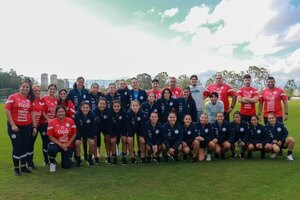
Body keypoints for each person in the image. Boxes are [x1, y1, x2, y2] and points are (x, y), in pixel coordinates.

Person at [5, 80, 35, 176]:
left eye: (27, 87)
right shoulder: (13, 97)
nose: (25, 88)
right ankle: (16, 168)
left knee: (25, 146)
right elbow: (7, 110)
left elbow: (32, 112)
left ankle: (23, 166)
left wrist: (34, 126)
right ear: (20, 87)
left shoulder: (29, 99)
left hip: (27, 126)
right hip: (15, 127)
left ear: (29, 89)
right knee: (17, 146)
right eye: (23, 86)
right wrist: (13, 125)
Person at [47, 105, 77, 172]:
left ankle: (67, 157)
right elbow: (50, 137)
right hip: (57, 144)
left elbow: (74, 134)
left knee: (66, 166)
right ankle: (52, 162)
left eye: (62, 111)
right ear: (56, 113)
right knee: (52, 149)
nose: (61, 113)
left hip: (67, 145)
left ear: (65, 112)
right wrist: (61, 145)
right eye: (59, 112)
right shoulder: (51, 122)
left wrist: (67, 144)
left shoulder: (71, 121)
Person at [74, 101, 97, 167]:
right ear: (81, 108)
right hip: (80, 132)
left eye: (87, 107)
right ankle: (78, 159)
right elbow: (76, 127)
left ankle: (90, 158)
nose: (85, 109)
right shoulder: (77, 114)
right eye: (83, 107)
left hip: (89, 132)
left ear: (89, 108)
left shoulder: (92, 114)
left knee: (92, 143)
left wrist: (91, 136)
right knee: (77, 143)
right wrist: (78, 137)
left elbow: (94, 127)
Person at [28, 85, 45, 170]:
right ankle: (29, 163)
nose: (37, 92)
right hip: (30, 126)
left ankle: (30, 162)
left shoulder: (40, 101)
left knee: (31, 144)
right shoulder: (29, 100)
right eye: (35, 91)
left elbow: (42, 113)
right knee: (30, 145)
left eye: (39, 91)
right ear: (32, 91)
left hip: (38, 126)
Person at [41, 84, 58, 166]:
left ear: (55, 90)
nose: (52, 90)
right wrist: (48, 119)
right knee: (45, 142)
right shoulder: (44, 98)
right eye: (50, 89)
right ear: (48, 90)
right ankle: (45, 160)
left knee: (52, 142)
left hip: (53, 125)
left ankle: (52, 159)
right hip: (44, 124)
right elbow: (42, 111)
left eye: (53, 89)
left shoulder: (56, 100)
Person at [126, 100, 147, 164]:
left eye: (136, 105)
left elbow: (142, 126)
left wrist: (141, 135)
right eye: (133, 106)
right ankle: (132, 156)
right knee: (129, 140)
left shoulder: (143, 113)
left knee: (142, 140)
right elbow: (128, 126)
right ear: (131, 106)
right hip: (131, 128)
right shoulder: (128, 114)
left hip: (140, 129)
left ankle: (142, 156)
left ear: (139, 106)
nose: (135, 107)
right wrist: (130, 135)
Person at [108, 100, 127, 164]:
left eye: (118, 106)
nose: (116, 107)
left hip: (121, 130)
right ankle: (114, 157)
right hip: (113, 131)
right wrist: (113, 136)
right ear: (112, 106)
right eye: (115, 106)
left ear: (120, 106)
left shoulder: (123, 112)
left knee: (124, 140)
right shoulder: (109, 113)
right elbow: (109, 126)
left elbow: (125, 124)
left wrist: (123, 134)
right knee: (113, 141)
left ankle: (124, 157)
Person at [93, 97, 110, 164]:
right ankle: (97, 154)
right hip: (96, 127)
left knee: (107, 138)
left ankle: (107, 154)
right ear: (98, 104)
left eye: (104, 104)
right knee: (95, 138)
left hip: (105, 127)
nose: (102, 105)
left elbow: (109, 123)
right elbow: (93, 124)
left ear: (106, 104)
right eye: (101, 104)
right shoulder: (94, 111)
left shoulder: (108, 111)